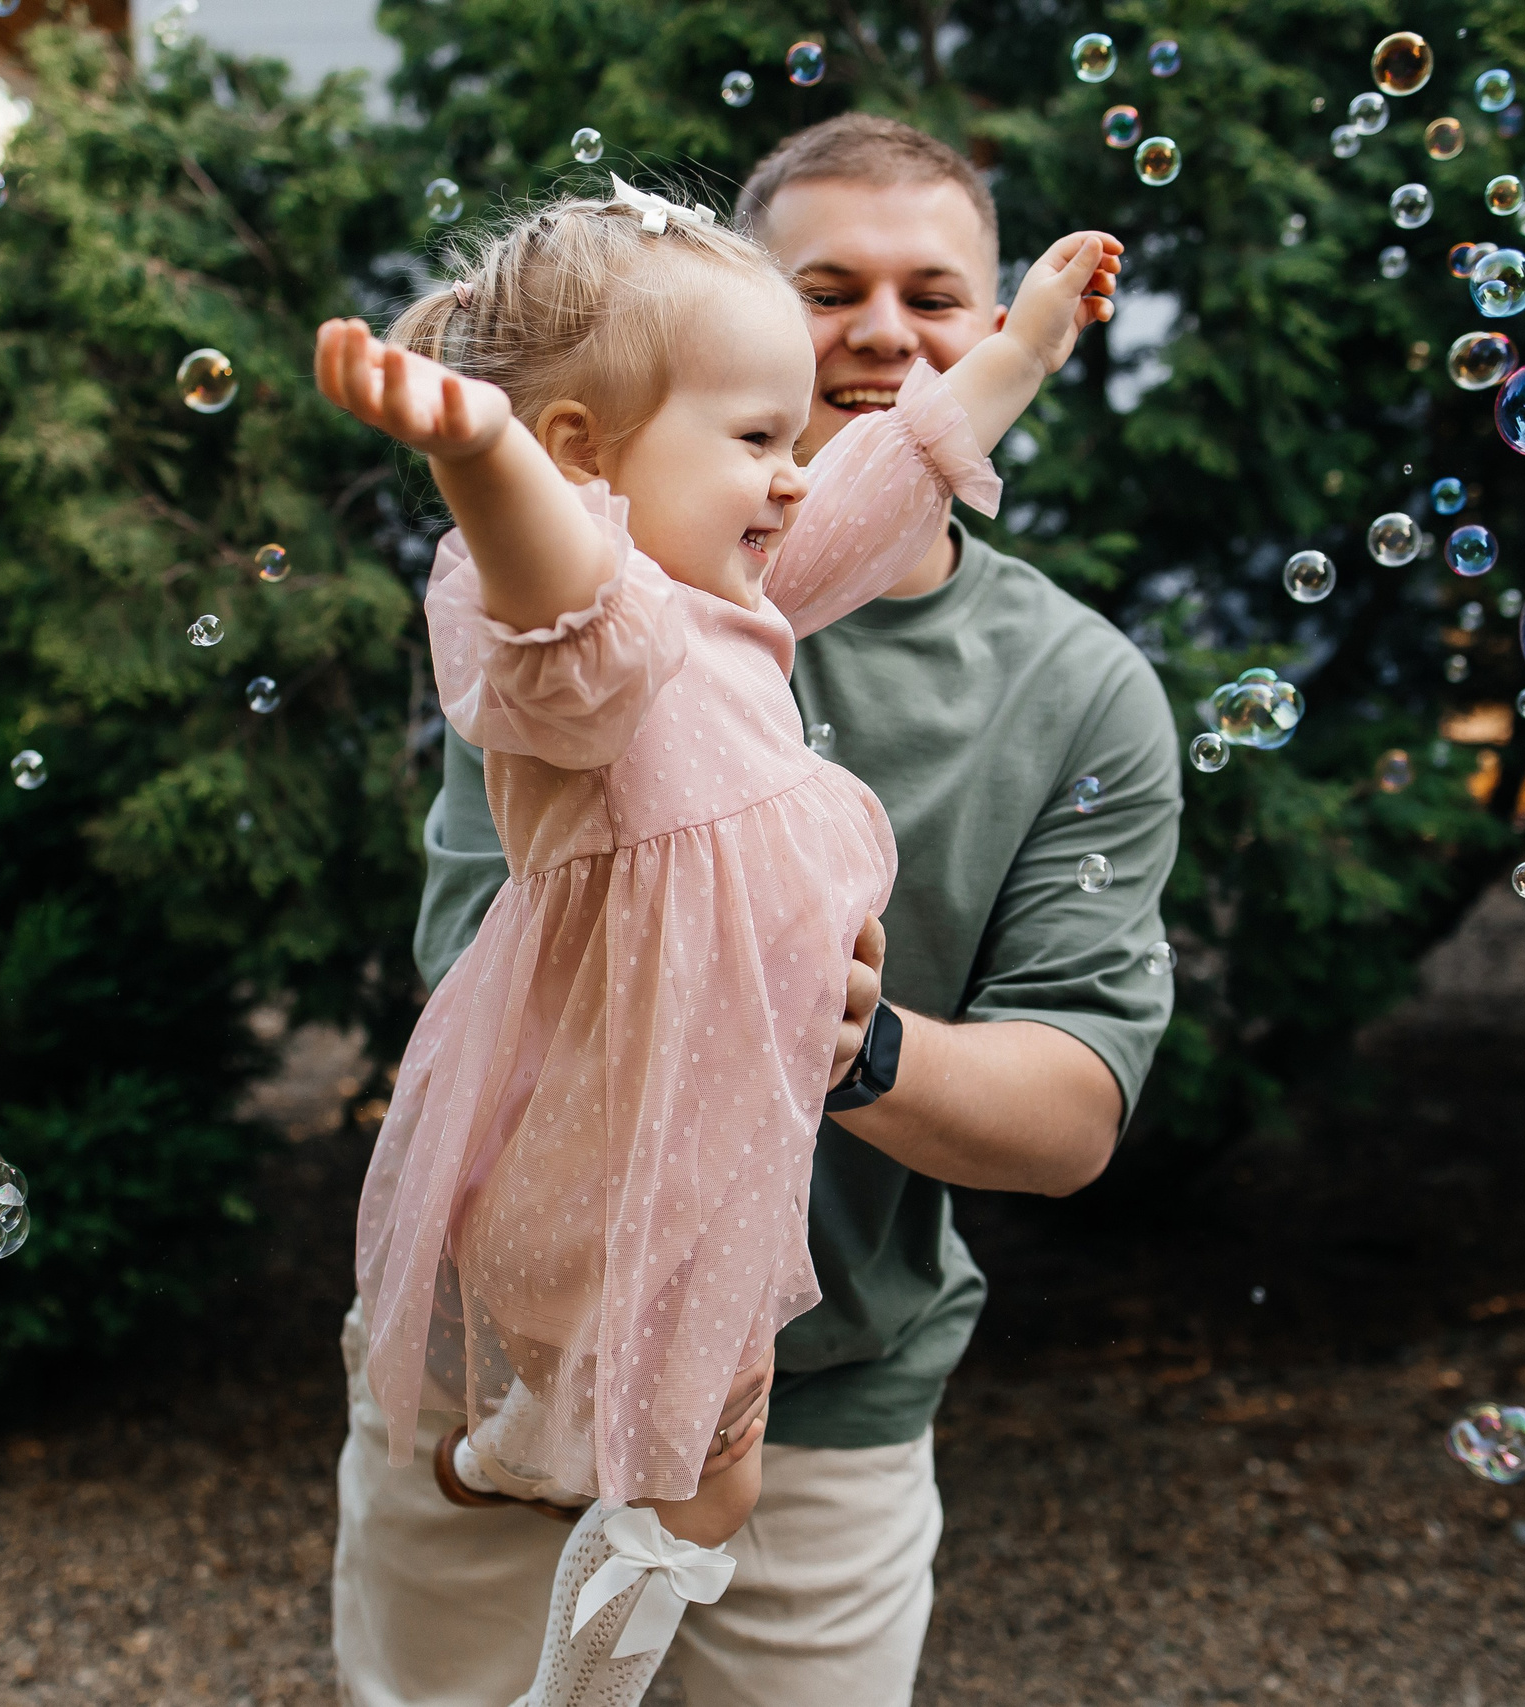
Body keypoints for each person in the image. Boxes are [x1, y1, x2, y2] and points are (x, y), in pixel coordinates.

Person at [334, 115, 1182, 1705]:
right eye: (759, 433)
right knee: (664, 1448)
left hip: (766, 1202)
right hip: (606, 1119)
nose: (798, 479)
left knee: (713, 1468)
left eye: (940, 296)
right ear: (592, 452)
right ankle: (546, 1525)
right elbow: (552, 588)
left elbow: (891, 470)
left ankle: (576, 1535)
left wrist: (1026, 352)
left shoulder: (745, 590)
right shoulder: (571, 634)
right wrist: (484, 453)